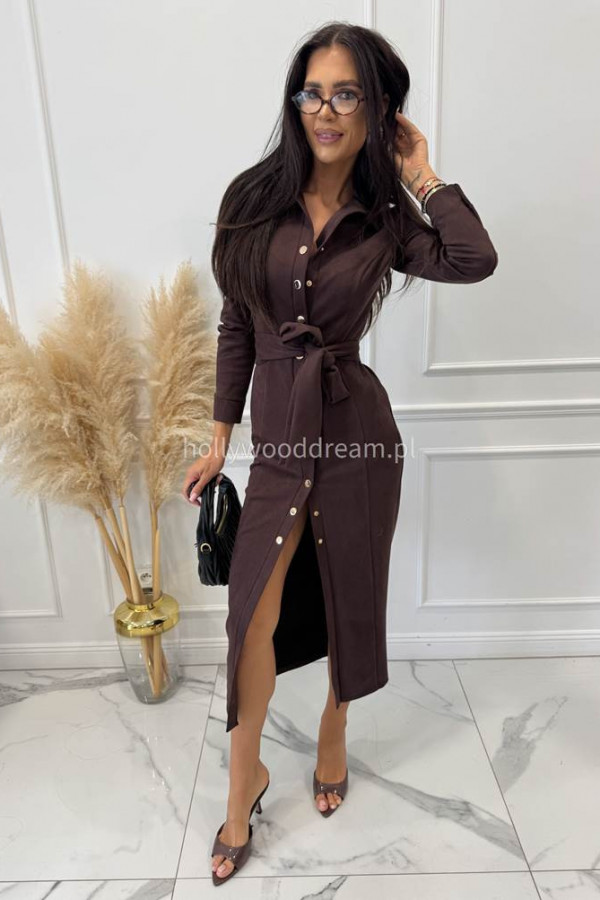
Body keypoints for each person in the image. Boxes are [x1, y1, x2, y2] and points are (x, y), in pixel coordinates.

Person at [182, 22, 498, 886]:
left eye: (346, 94)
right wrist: (219, 439)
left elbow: (474, 258)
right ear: (296, 102)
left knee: (351, 593)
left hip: (359, 435)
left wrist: (421, 173)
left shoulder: (389, 218)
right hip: (280, 439)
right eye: (312, 92)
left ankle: (334, 727)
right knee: (251, 613)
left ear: (377, 109)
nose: (325, 110)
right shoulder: (254, 198)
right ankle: (243, 779)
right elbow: (237, 323)